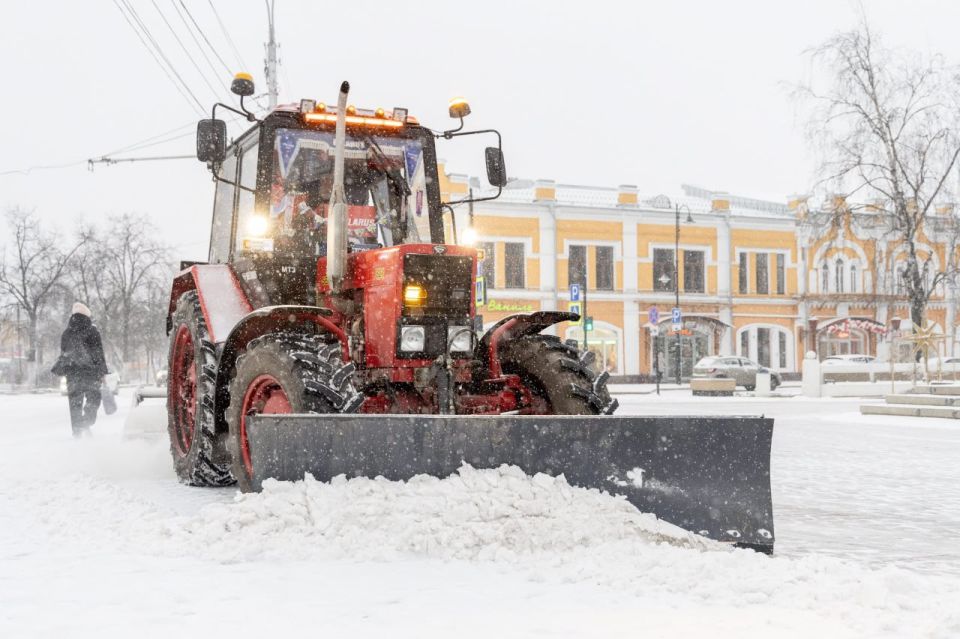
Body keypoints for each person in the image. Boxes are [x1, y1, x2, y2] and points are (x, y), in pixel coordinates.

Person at [57, 302, 108, 437]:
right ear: (87, 315)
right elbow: (98, 353)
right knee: (94, 398)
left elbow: (64, 353)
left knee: (74, 403)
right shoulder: (92, 330)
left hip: (72, 373)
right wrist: (102, 372)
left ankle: (77, 432)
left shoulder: (66, 333)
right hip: (90, 372)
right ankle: (86, 422)